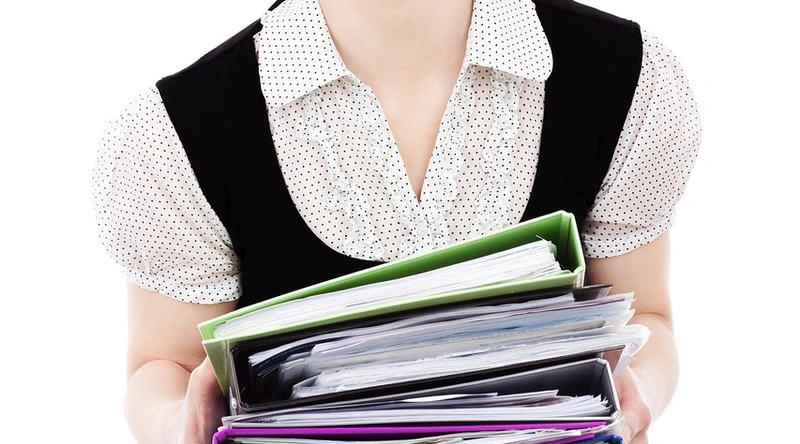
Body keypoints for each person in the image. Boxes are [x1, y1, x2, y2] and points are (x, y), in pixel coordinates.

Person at [92, 0, 701, 443]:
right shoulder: (171, 136)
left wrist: (638, 394)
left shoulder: (627, 77)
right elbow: (164, 365)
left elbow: (645, 315)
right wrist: (181, 425)